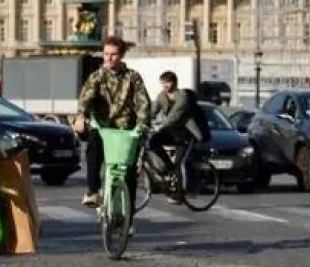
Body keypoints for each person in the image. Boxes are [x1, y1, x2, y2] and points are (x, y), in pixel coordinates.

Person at [72, 36, 152, 209]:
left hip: (126, 129)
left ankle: (128, 219)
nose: (108, 58)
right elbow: (86, 97)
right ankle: (93, 191)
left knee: (129, 172)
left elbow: (143, 102)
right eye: (106, 54)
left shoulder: (133, 77)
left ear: (121, 55)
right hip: (102, 127)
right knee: (93, 148)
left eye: (113, 54)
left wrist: (142, 124)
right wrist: (80, 116)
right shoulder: (97, 76)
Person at [145, 70, 210, 198]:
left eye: (168, 83)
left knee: (180, 164)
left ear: (175, 83)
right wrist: (144, 122)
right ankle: (169, 167)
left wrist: (161, 126)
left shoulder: (183, 97)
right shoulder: (162, 96)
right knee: (153, 142)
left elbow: (174, 116)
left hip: (186, 134)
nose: (165, 86)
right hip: (172, 132)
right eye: (163, 83)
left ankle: (180, 194)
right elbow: (153, 110)